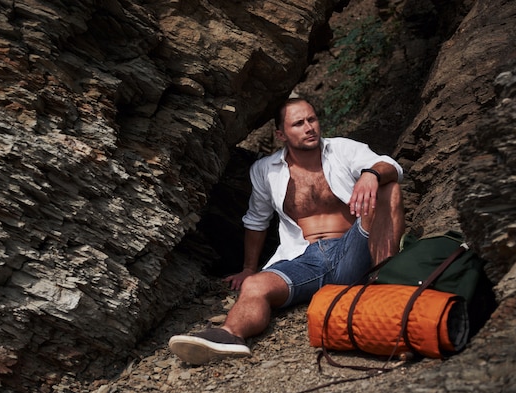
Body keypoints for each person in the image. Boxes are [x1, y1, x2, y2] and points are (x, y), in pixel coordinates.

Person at [169, 97, 405, 365]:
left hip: (352, 249)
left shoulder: (341, 149)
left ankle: (386, 278)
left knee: (389, 187)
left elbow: (391, 166)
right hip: (304, 258)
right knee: (255, 285)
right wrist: (249, 268)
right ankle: (229, 336)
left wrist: (371, 174)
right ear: (281, 134)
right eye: (298, 123)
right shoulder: (265, 170)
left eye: (312, 119)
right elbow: (257, 220)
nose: (309, 127)